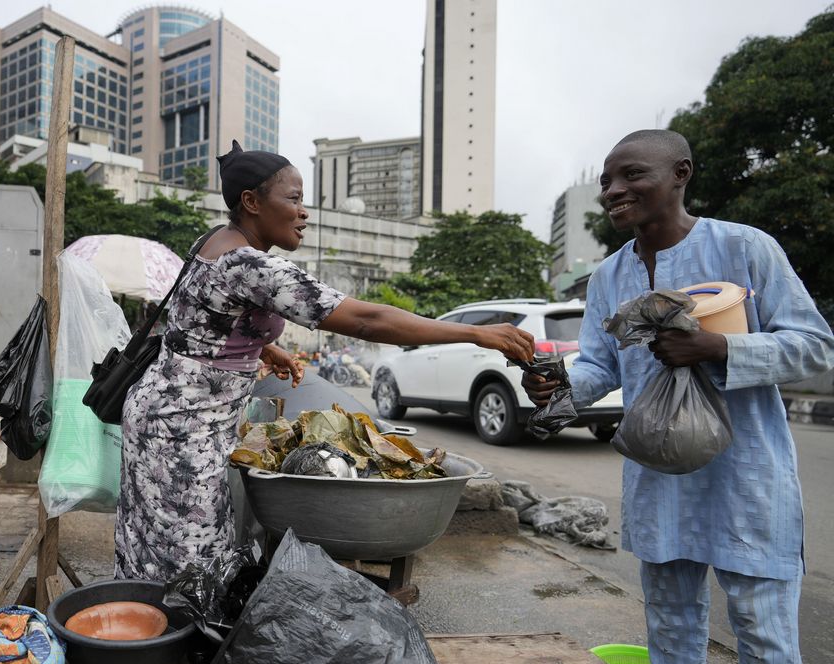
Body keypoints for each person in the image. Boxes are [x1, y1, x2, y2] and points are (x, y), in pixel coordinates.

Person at [522, 129, 834, 664]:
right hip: (659, 471)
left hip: (745, 473)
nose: (614, 191)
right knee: (669, 621)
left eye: (630, 175)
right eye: (608, 181)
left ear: (681, 174)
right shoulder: (610, 274)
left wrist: (718, 348)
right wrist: (558, 383)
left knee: (762, 630)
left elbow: (815, 345)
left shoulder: (744, 248)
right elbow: (602, 367)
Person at [116, 141, 535, 582]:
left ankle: (152, 631)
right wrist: (478, 333)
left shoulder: (216, 241)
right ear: (252, 202)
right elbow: (368, 320)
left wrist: (263, 347)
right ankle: (162, 641)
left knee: (159, 545)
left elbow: (200, 326)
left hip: (166, 413)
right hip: (181, 427)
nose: (304, 212)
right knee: (186, 555)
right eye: (293, 199)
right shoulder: (251, 265)